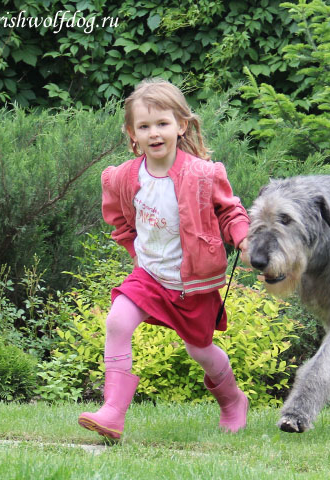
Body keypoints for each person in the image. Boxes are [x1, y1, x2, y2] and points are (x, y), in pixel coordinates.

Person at [78, 78, 250, 440]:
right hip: (150, 277)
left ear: (181, 126)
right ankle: (112, 412)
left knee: (200, 351)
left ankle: (233, 400)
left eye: (162, 124)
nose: (154, 133)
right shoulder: (124, 177)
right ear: (132, 133)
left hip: (193, 285)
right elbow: (122, 223)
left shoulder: (204, 174)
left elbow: (230, 213)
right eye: (144, 126)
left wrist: (244, 240)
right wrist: (137, 255)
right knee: (117, 322)